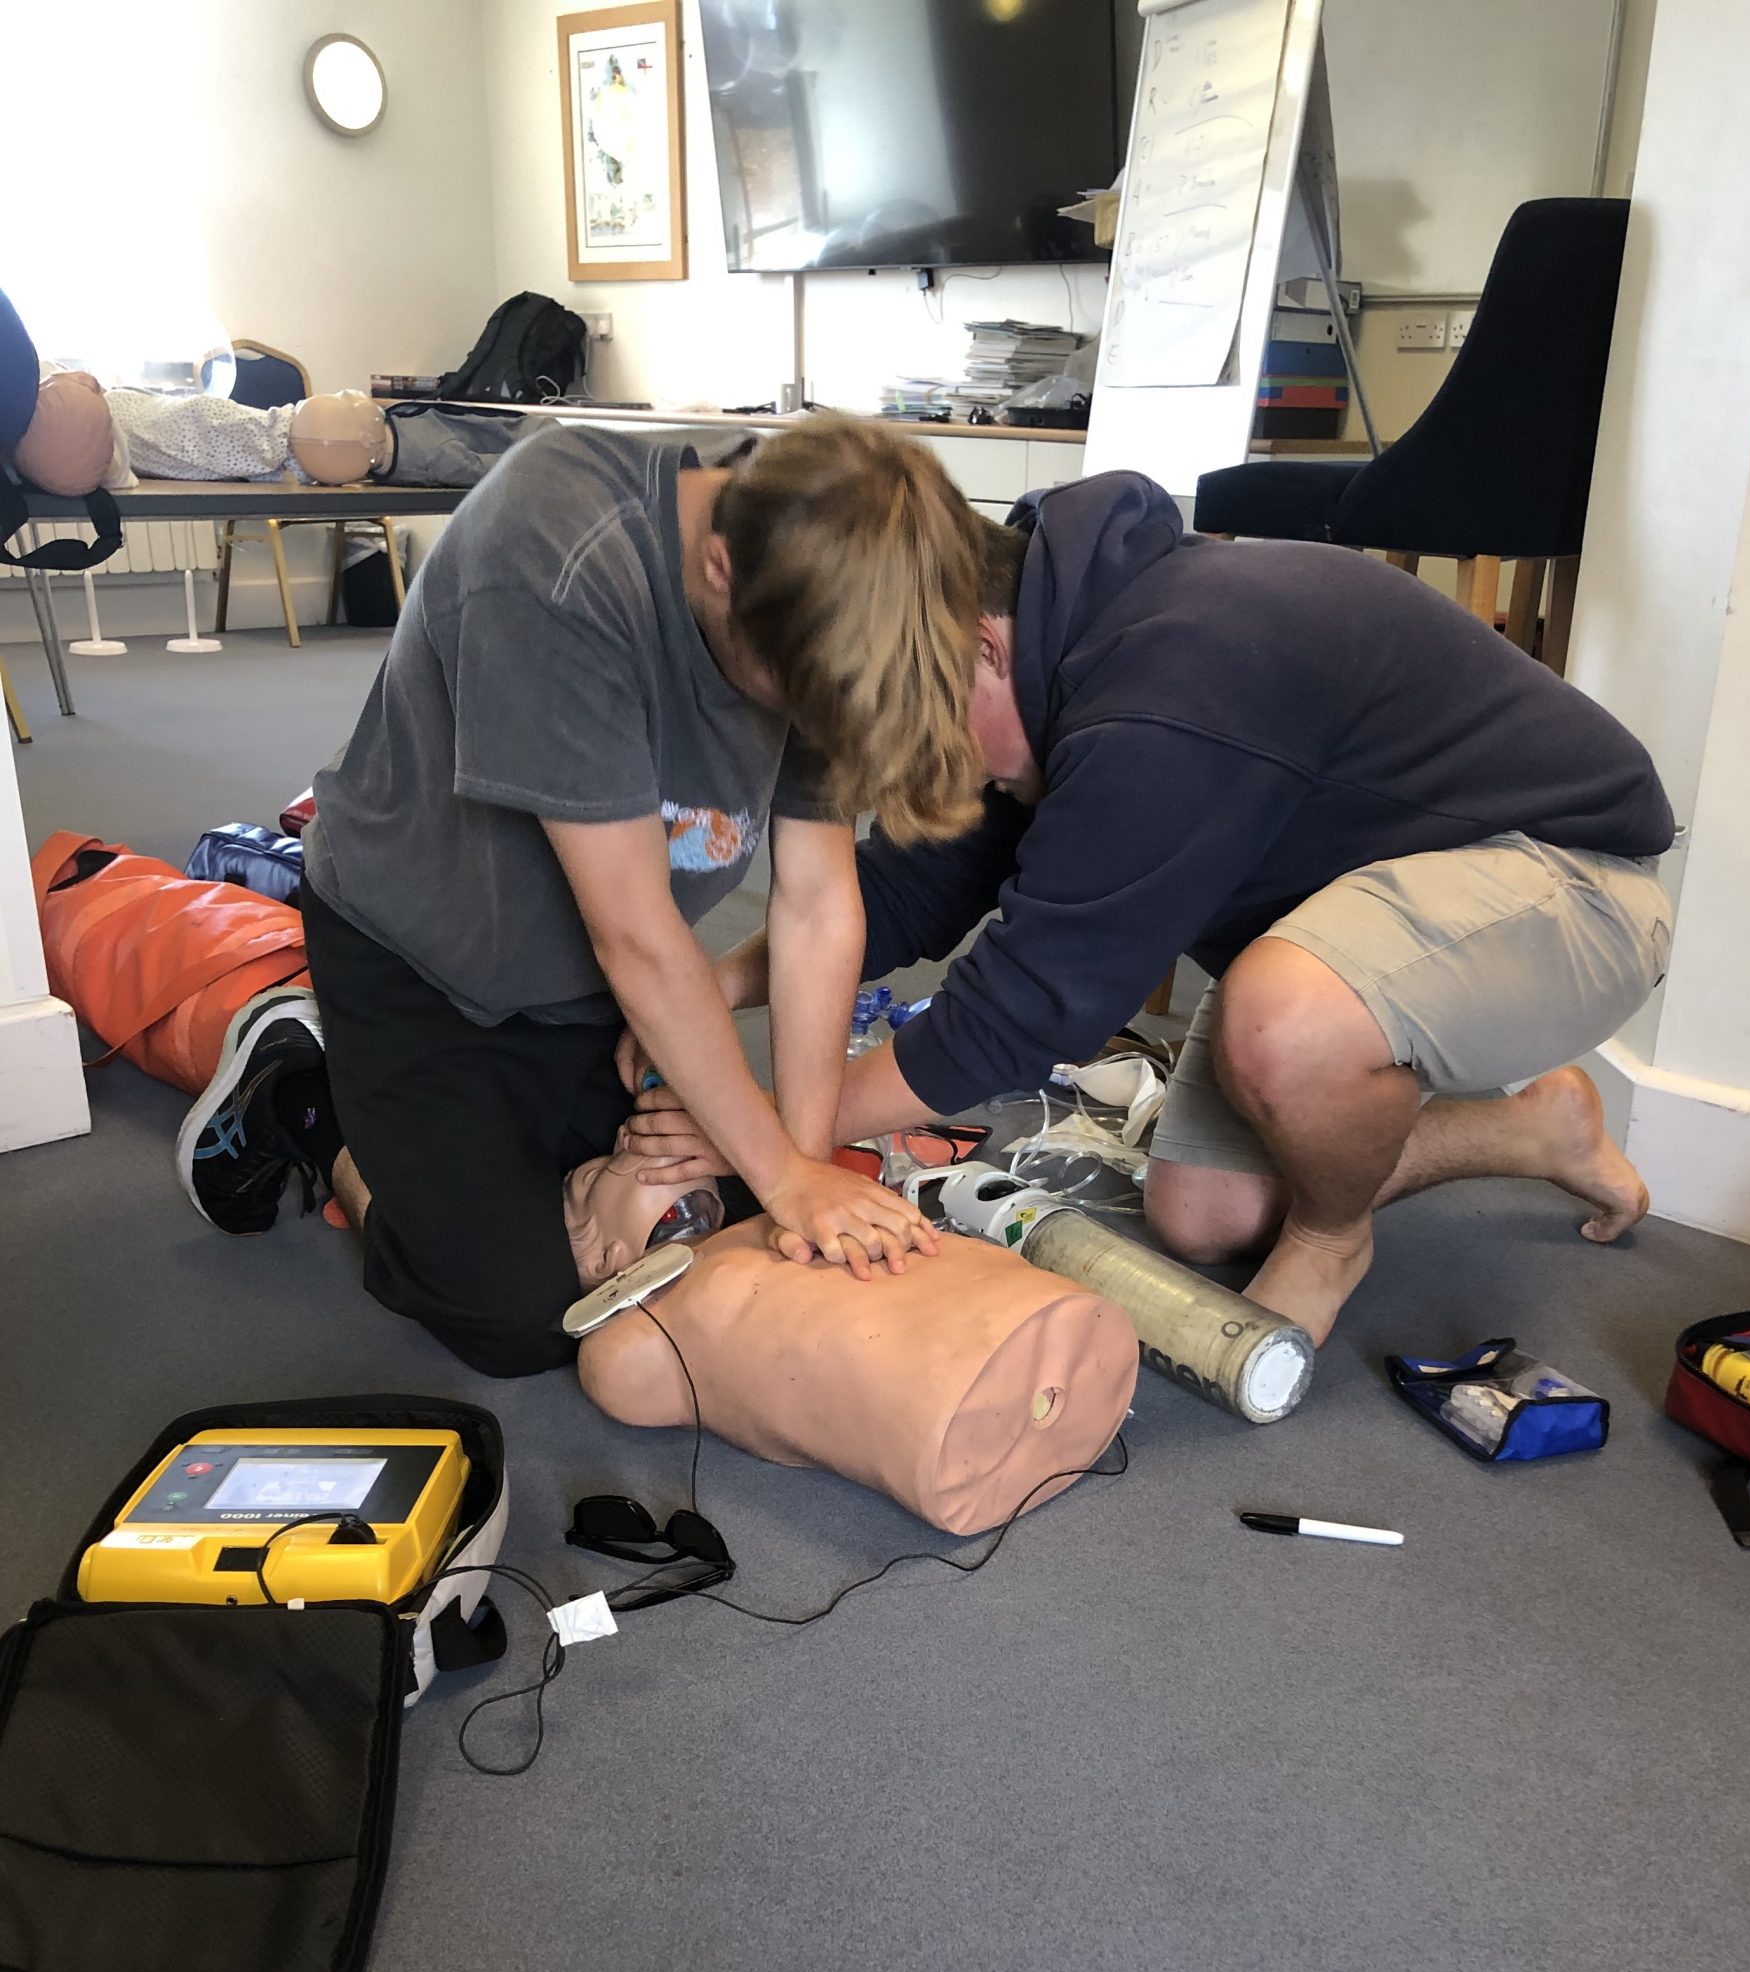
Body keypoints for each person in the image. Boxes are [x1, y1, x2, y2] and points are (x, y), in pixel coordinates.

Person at [627, 469, 1676, 1348]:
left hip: (1574, 882)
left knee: (1285, 1030)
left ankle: (1332, 1241)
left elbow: (1024, 1009)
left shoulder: (1170, 688)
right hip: (1356, 912)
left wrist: (763, 1137)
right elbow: (911, 887)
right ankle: (1535, 1128)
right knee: (1207, 1215)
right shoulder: (1054, 648)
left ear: (982, 648)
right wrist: (717, 986)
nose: (925, 769)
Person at [178, 415, 988, 1375]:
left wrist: (796, 1173)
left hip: (593, 984)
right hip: (420, 963)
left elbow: (816, 909)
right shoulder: (559, 556)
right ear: (720, 567)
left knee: (711, 1221)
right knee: (526, 1318)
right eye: (785, 699)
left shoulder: (823, 589)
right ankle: (308, 1092)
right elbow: (636, 938)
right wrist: (780, 1171)